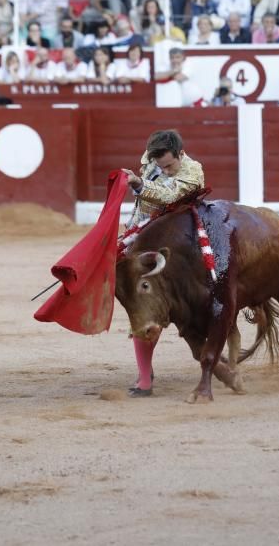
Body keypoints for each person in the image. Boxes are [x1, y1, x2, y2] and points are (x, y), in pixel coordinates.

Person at [122, 129, 204, 397]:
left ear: (181, 154)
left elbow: (169, 196)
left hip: (177, 249)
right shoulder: (150, 160)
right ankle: (145, 375)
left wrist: (137, 184)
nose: (165, 170)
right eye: (160, 166)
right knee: (141, 306)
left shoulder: (193, 172)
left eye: (169, 165)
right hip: (142, 239)